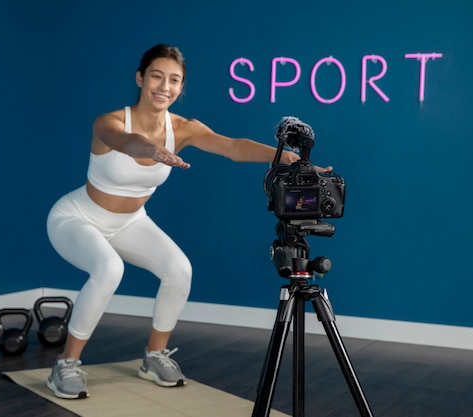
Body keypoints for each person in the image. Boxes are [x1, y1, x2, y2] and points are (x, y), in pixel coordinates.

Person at [45, 43, 323, 400]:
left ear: (181, 87)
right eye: (156, 76)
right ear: (140, 78)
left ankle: (154, 356)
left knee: (179, 269)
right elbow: (125, 141)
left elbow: (233, 147)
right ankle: (65, 364)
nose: (164, 86)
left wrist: (285, 157)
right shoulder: (111, 122)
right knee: (109, 269)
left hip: (131, 221)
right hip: (77, 218)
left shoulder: (184, 128)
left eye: (174, 80)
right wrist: (151, 150)